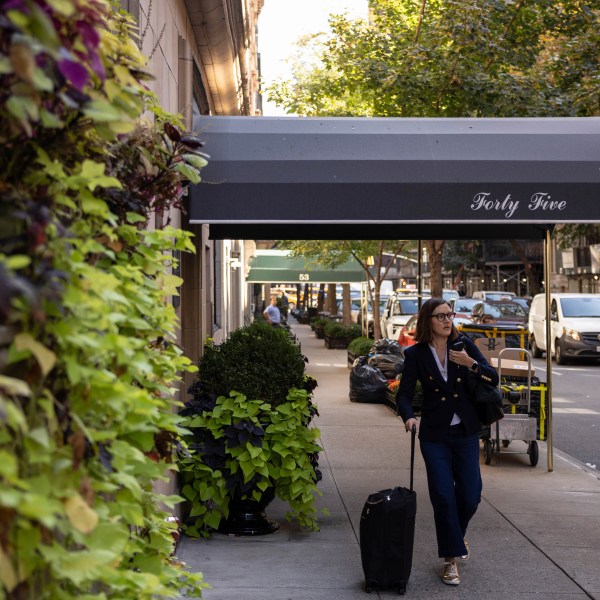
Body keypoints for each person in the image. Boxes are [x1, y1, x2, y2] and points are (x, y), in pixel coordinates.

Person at [395, 297, 499, 586]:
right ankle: (450, 560)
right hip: (435, 435)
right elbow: (403, 394)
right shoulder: (416, 354)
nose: (446, 320)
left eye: (449, 315)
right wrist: (408, 417)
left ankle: (456, 534)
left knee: (470, 495)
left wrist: (470, 364)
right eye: (440, 316)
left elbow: (494, 377)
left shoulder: (463, 344)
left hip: (465, 432)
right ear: (427, 320)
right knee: (442, 495)